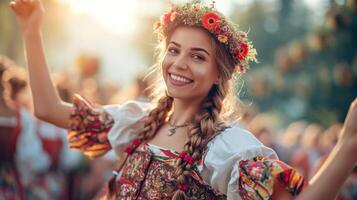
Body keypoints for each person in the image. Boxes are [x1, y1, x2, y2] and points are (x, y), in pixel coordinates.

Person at [9, 0, 357, 199]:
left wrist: (347, 147)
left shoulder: (228, 148)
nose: (179, 63)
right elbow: (48, 109)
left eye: (197, 56)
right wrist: (31, 30)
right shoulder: (136, 122)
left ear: (220, 74)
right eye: (174, 51)